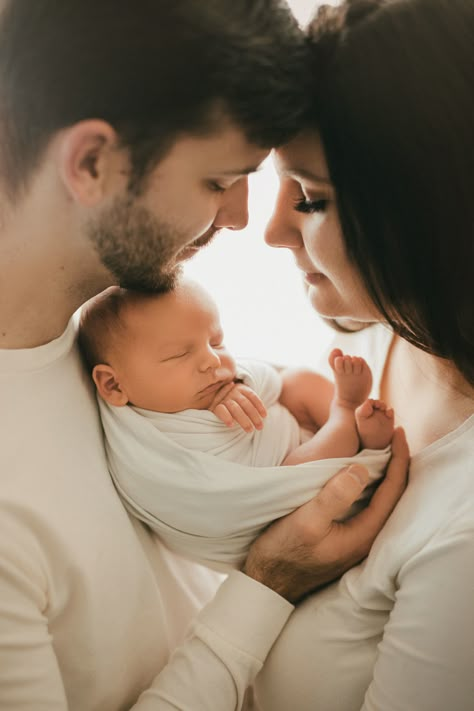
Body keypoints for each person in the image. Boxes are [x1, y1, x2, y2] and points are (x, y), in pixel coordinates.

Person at [0, 1, 408, 709]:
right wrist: (269, 579)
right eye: (219, 182)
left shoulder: (117, 331)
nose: (241, 218)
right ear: (92, 161)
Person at [251, 1, 474, 709]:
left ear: (424, 205)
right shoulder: (391, 333)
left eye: (311, 199)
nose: (272, 228)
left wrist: (269, 577)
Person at [77, 279, 394, 568]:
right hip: (279, 497)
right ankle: (346, 411)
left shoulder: (220, 381)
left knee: (297, 381)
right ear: (114, 386)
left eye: (216, 342)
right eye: (178, 355)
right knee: (296, 471)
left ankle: (356, 431)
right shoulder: (142, 449)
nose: (212, 360)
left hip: (295, 433)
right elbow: (200, 506)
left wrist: (241, 384)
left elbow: (270, 382)